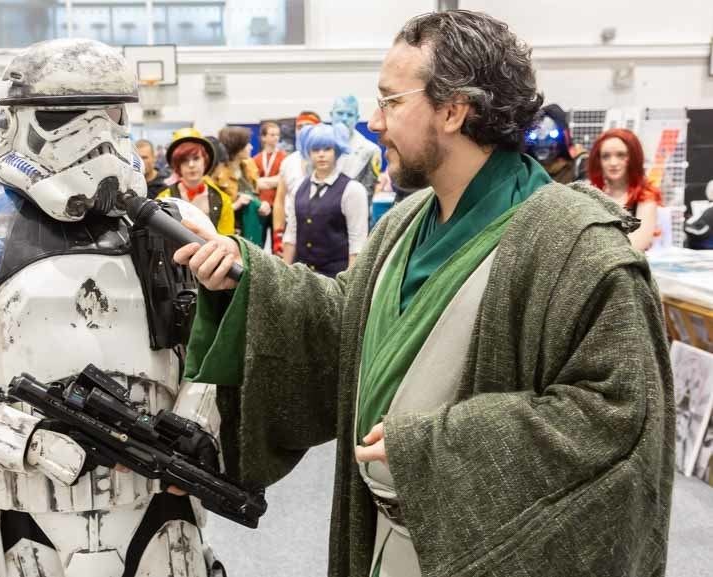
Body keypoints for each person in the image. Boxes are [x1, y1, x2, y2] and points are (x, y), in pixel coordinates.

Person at [174, 10, 673, 577]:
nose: (372, 122)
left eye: (390, 101)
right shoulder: (407, 221)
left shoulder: (577, 246)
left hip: (484, 553)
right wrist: (248, 275)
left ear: (454, 109)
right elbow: (351, 322)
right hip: (386, 538)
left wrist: (437, 446)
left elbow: (619, 416)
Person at [0, 39, 225, 577]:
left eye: (113, 116)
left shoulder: (175, 224)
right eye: (65, 118)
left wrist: (198, 422)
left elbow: (217, 340)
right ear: (18, 122)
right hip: (24, 510)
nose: (96, 137)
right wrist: (26, 441)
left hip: (162, 500)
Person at [282, 123, 368, 276]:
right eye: (315, 150)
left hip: (335, 278)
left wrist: (349, 283)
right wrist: (284, 275)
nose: (321, 154)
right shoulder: (299, 188)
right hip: (301, 278)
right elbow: (291, 235)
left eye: (327, 149)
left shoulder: (352, 190)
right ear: (308, 153)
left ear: (337, 151)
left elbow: (358, 243)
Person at [587, 128, 662, 251]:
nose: (613, 162)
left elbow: (638, 244)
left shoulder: (645, 197)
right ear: (598, 161)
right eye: (606, 156)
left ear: (633, 157)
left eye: (621, 155)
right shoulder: (591, 196)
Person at [158, 127, 235, 236]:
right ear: (177, 165)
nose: (191, 165)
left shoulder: (222, 200)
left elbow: (227, 240)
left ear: (205, 161)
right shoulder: (163, 200)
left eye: (196, 158)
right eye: (184, 160)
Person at [272, 111, 321, 254]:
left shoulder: (328, 160)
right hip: (292, 229)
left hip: (321, 229)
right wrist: (278, 234)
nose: (304, 130)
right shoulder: (288, 162)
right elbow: (279, 200)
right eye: (299, 127)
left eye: (309, 126)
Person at [217, 126, 269, 246]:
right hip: (229, 234)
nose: (251, 147)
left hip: (251, 229)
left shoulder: (249, 165)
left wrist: (264, 204)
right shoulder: (218, 172)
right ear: (237, 147)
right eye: (247, 144)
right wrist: (236, 205)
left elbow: (256, 194)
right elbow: (213, 210)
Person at [331, 95, 383, 198]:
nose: (344, 119)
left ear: (357, 118)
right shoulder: (319, 146)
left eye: (350, 115)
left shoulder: (371, 150)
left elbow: (370, 191)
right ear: (331, 114)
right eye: (340, 113)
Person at [524, 104, 587, 184]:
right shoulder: (526, 167)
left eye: (550, 136)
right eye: (537, 135)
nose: (542, 142)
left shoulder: (579, 163)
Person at [253, 121, 287, 246]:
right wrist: (275, 181)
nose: (276, 138)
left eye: (277, 135)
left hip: (277, 206)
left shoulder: (284, 158)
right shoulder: (256, 159)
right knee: (258, 243)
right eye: (272, 135)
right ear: (263, 137)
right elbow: (254, 183)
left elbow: (283, 180)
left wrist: (262, 181)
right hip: (261, 206)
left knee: (277, 245)